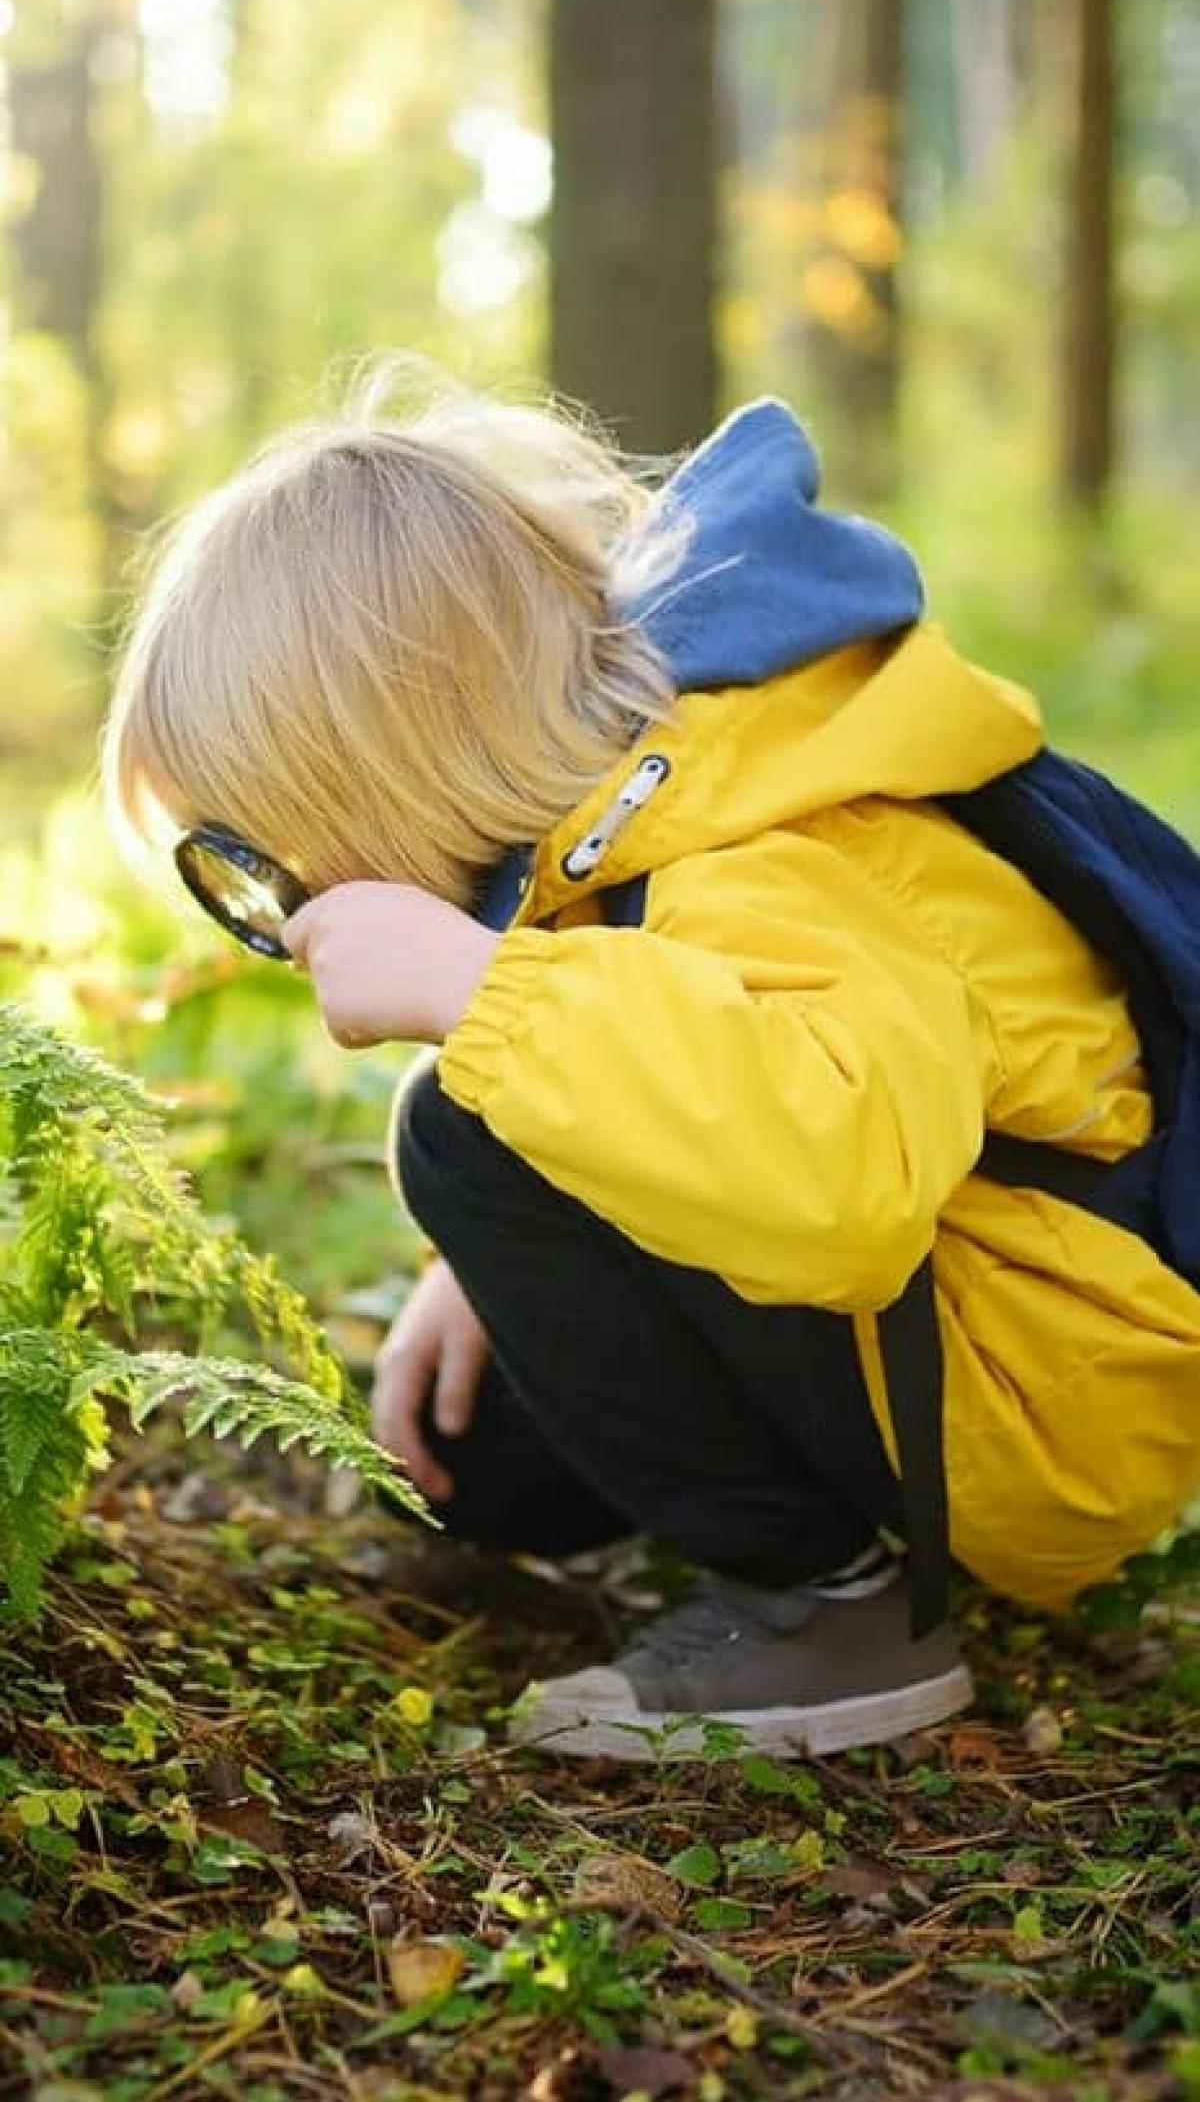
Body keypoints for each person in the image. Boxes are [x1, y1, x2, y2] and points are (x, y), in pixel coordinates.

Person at [102, 361, 1200, 1762]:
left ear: (387, 767)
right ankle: (785, 1542)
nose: (281, 908)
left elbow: (842, 1178)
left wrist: (482, 996)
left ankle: (831, 1617)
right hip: (966, 1332)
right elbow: (674, 1039)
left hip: (1046, 1394)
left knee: (459, 1128)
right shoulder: (631, 805)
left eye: (263, 859)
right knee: (481, 1460)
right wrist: (496, 1264)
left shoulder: (770, 834)